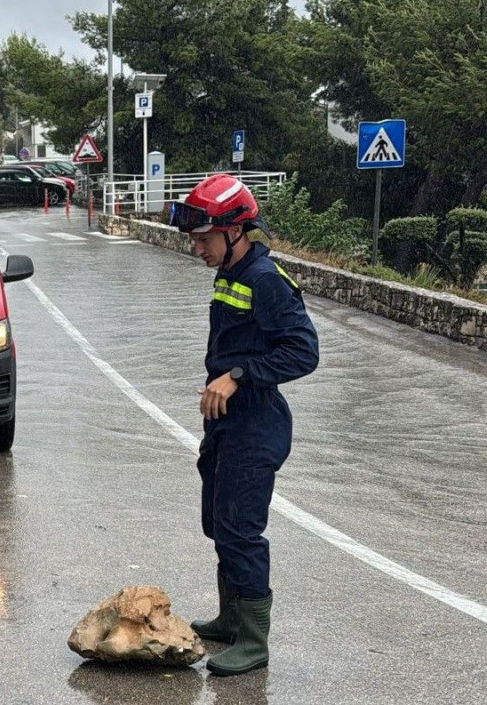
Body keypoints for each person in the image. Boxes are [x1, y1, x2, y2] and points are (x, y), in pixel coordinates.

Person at [169, 174, 319, 676]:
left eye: (204, 239)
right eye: (193, 239)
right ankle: (231, 618)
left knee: (240, 530)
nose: (197, 248)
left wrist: (237, 375)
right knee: (218, 522)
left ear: (235, 231)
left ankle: (254, 642)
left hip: (256, 426)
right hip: (227, 425)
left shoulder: (266, 280)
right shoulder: (229, 274)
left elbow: (303, 352)